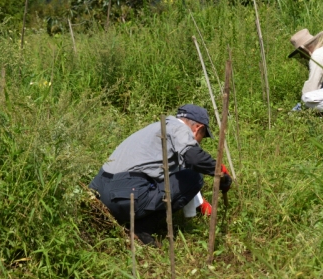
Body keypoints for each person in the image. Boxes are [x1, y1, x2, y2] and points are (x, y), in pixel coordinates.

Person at [89, 104, 232, 246]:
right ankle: (141, 229)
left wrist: (202, 205)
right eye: (203, 136)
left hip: (100, 194)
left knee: (186, 176)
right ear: (198, 128)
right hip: (126, 195)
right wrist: (220, 172)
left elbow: (176, 174)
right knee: (194, 177)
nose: (200, 141)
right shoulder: (179, 129)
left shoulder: (157, 128)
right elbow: (194, 159)